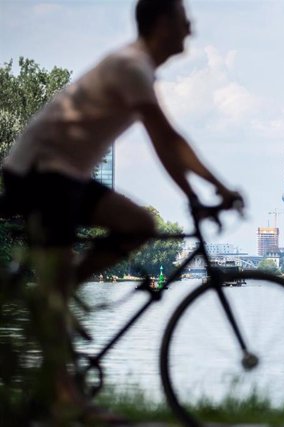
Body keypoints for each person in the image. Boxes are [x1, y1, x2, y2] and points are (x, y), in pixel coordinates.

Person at [1, 0, 243, 421]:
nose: (191, 30)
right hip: (41, 174)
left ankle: (58, 294)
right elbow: (166, 140)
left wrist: (206, 191)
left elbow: (171, 142)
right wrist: (206, 192)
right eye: (185, 22)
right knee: (57, 292)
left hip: (67, 175)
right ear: (162, 24)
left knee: (139, 224)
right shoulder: (130, 66)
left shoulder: (139, 70)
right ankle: (65, 401)